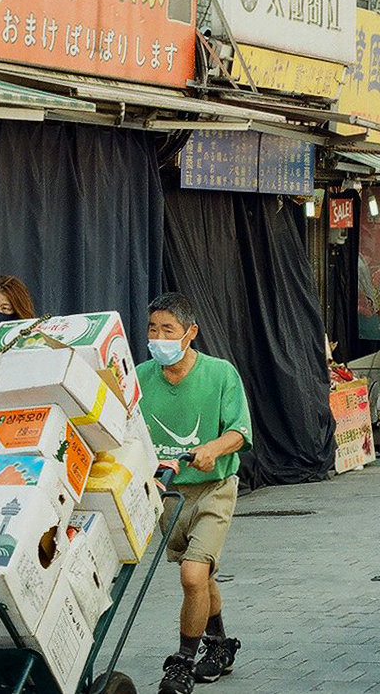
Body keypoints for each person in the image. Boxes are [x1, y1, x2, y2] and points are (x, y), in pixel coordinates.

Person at [138, 293, 253, 694]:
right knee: (201, 576)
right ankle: (219, 645)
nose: (158, 338)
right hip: (168, 495)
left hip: (214, 489)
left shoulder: (220, 374)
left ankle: (182, 664)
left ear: (190, 333)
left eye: (168, 330)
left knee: (191, 575)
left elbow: (239, 431)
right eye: (153, 329)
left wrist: (212, 449)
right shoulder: (139, 378)